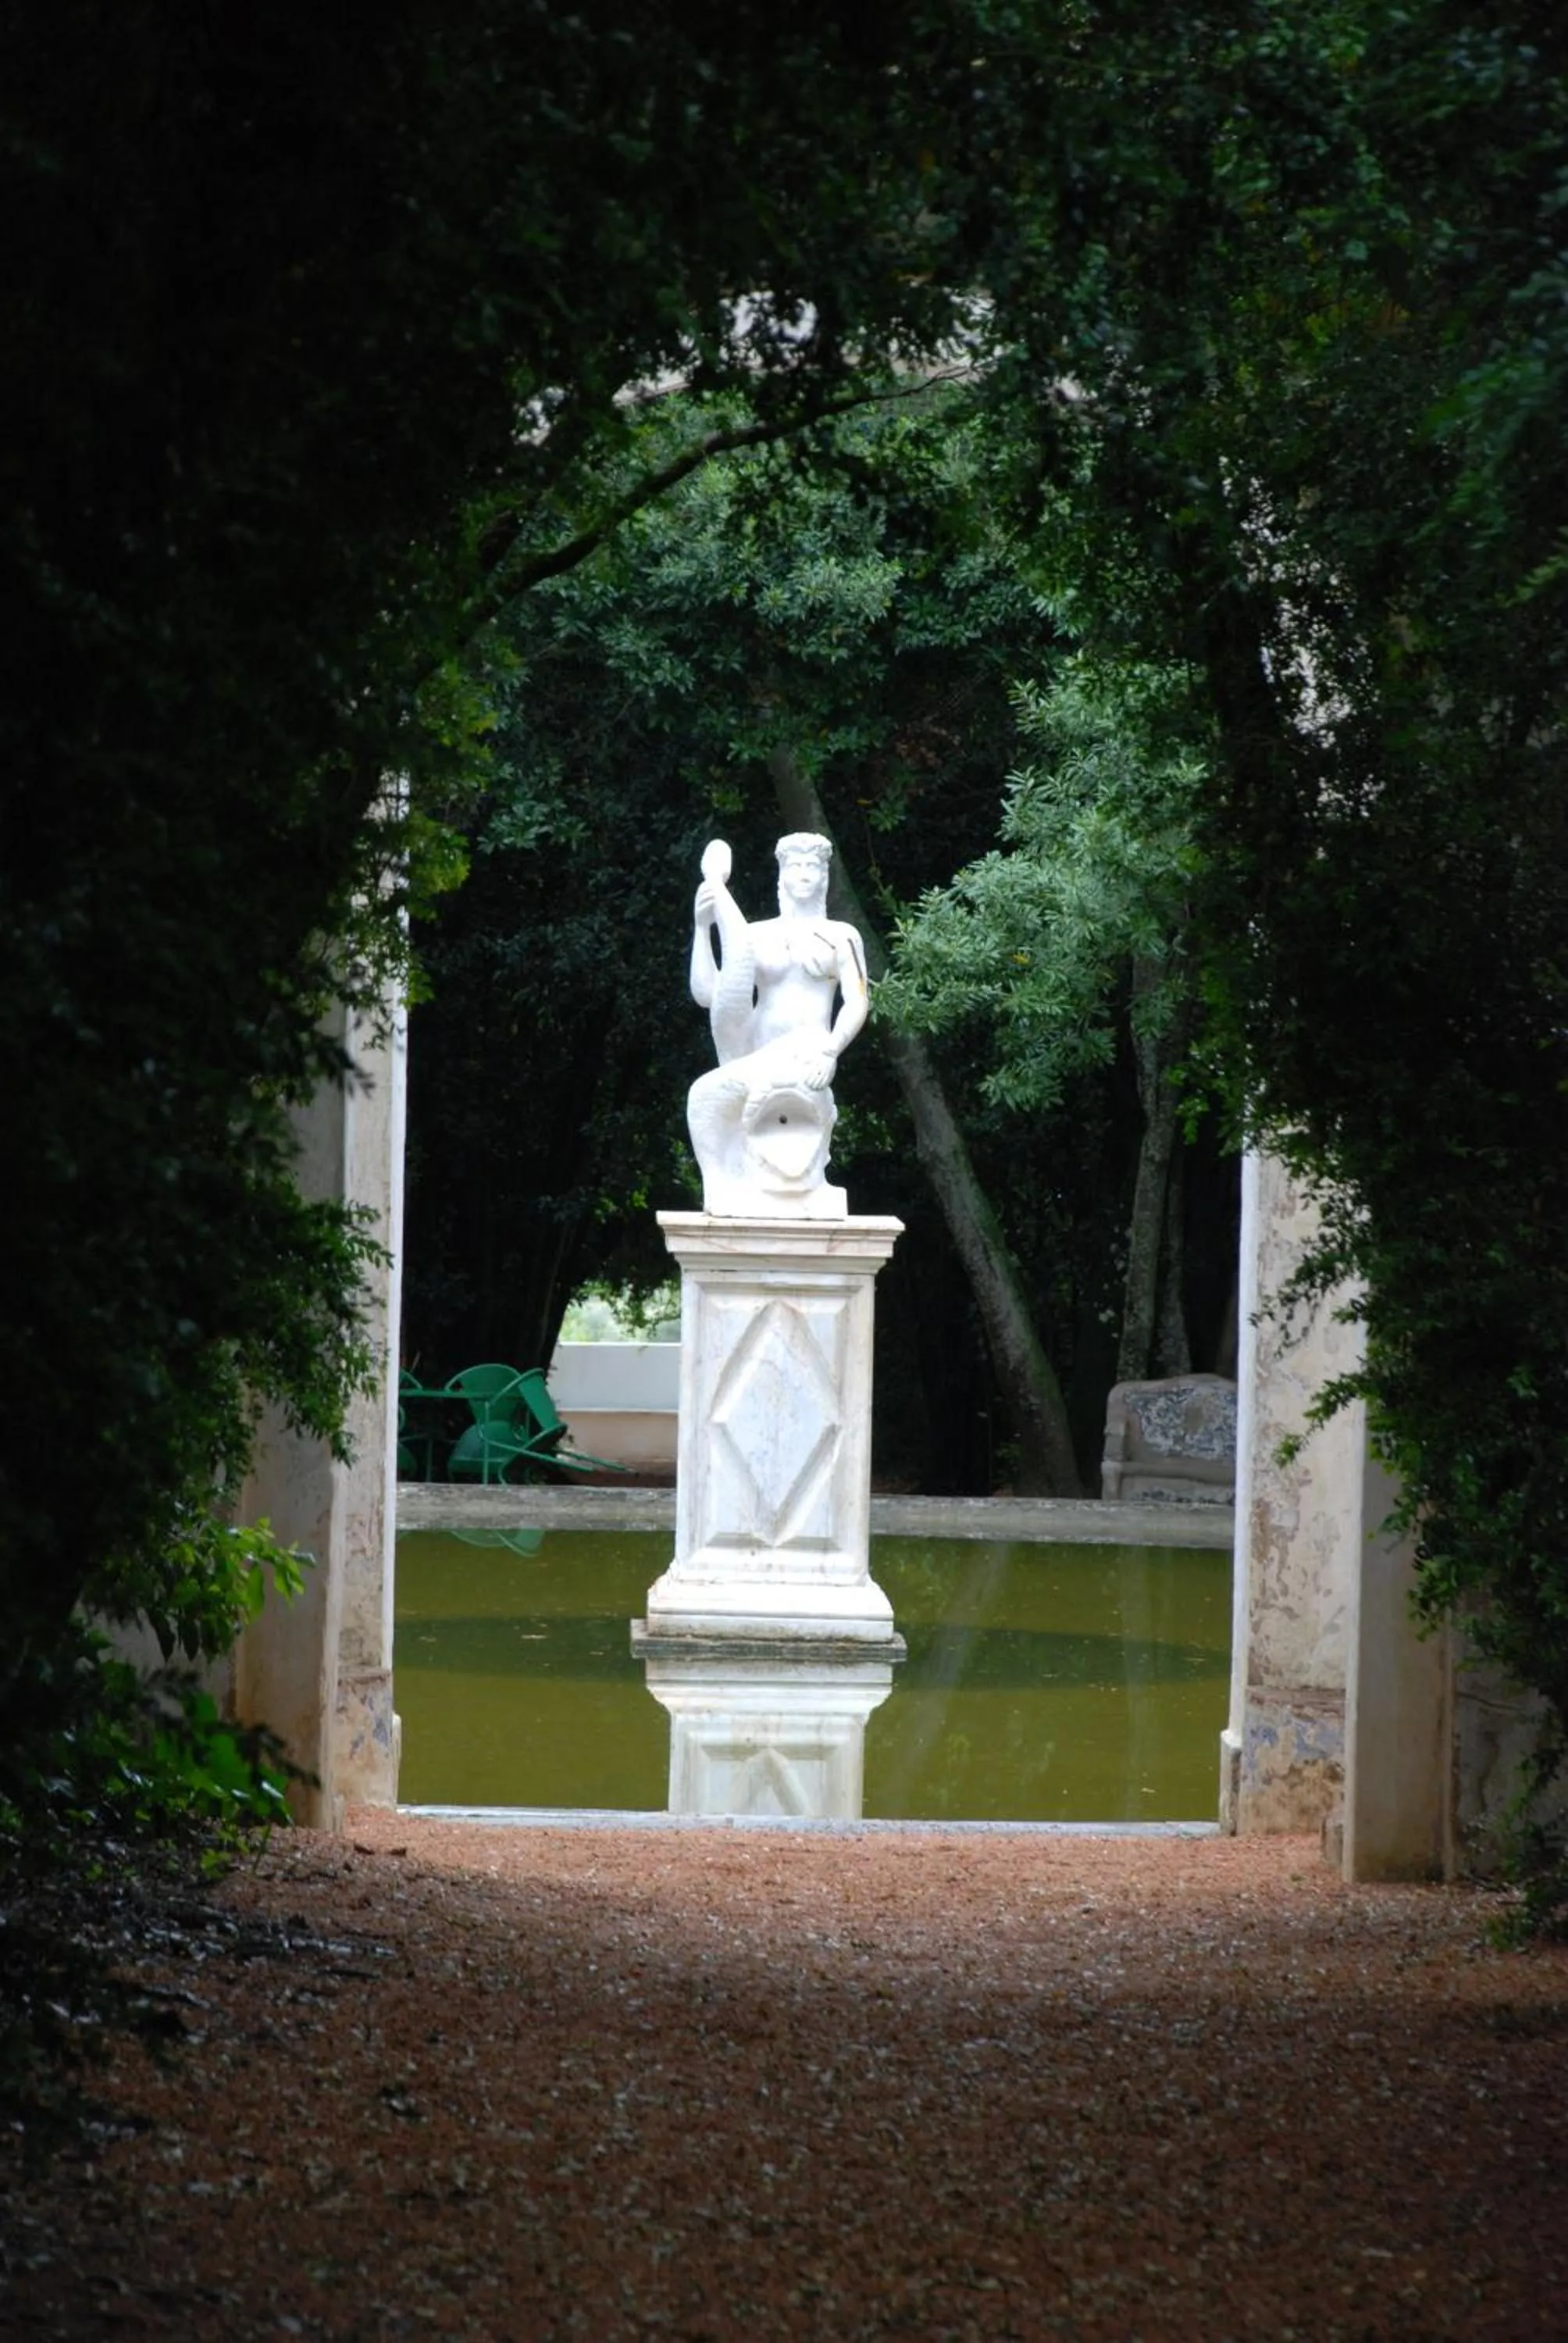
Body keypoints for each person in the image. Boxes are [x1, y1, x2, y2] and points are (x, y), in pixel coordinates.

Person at [686, 833, 868, 1214]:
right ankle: (720, 1186)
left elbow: (857, 1001)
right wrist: (703, 928)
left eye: (812, 867)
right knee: (702, 1099)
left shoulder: (841, 936)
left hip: (807, 1057)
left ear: (824, 877)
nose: (803, 874)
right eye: (795, 866)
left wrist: (831, 1051)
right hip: (755, 1060)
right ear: (781, 875)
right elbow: (710, 995)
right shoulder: (755, 935)